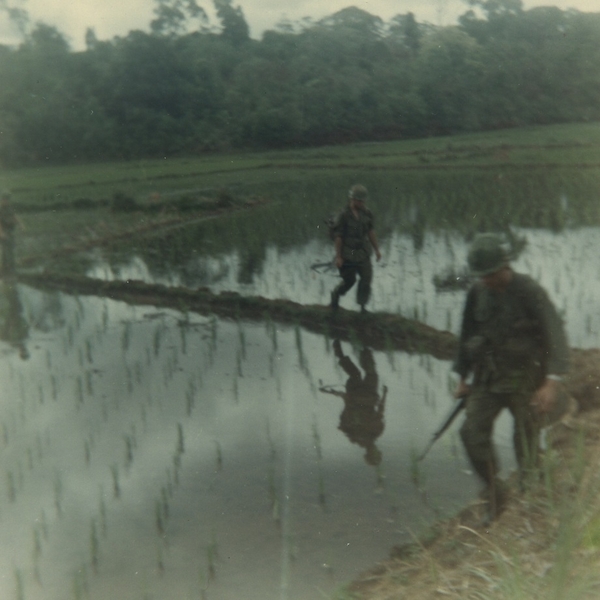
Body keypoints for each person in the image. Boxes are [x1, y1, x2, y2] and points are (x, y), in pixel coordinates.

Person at [453, 233, 569, 522]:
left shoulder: (529, 291)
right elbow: (467, 334)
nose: (486, 281)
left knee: (525, 438)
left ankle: (530, 492)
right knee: (471, 434)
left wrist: (550, 383)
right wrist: (462, 377)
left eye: (490, 274)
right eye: (481, 276)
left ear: (505, 265)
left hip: (526, 380)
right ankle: (496, 494)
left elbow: (556, 335)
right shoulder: (477, 293)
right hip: (488, 379)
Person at [320, 339, 387, 466]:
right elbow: (381, 410)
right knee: (371, 373)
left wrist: (346, 398)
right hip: (369, 394)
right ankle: (364, 346)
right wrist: (384, 395)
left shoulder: (355, 436)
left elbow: (346, 414)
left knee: (356, 374)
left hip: (357, 396)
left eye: (373, 453)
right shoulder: (377, 431)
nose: (375, 450)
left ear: (368, 453)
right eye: (377, 452)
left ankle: (341, 352)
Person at [330, 184, 382, 313]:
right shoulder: (343, 215)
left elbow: (371, 232)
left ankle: (362, 307)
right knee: (349, 280)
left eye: (362, 200)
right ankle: (336, 295)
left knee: (366, 278)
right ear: (352, 199)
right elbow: (338, 237)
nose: (360, 203)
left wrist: (377, 250)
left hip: (363, 252)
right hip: (348, 252)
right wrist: (338, 257)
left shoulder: (367, 213)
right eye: (357, 200)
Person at [0, 192, 23, 275]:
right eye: (5, 199)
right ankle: (6, 269)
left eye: (8, 200)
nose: (6, 201)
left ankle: (10, 268)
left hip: (10, 231)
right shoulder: (1, 209)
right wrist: (1, 233)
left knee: (11, 249)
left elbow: (14, 216)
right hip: (4, 232)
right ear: (2, 200)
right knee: (6, 251)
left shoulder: (9, 208)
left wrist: (21, 224)